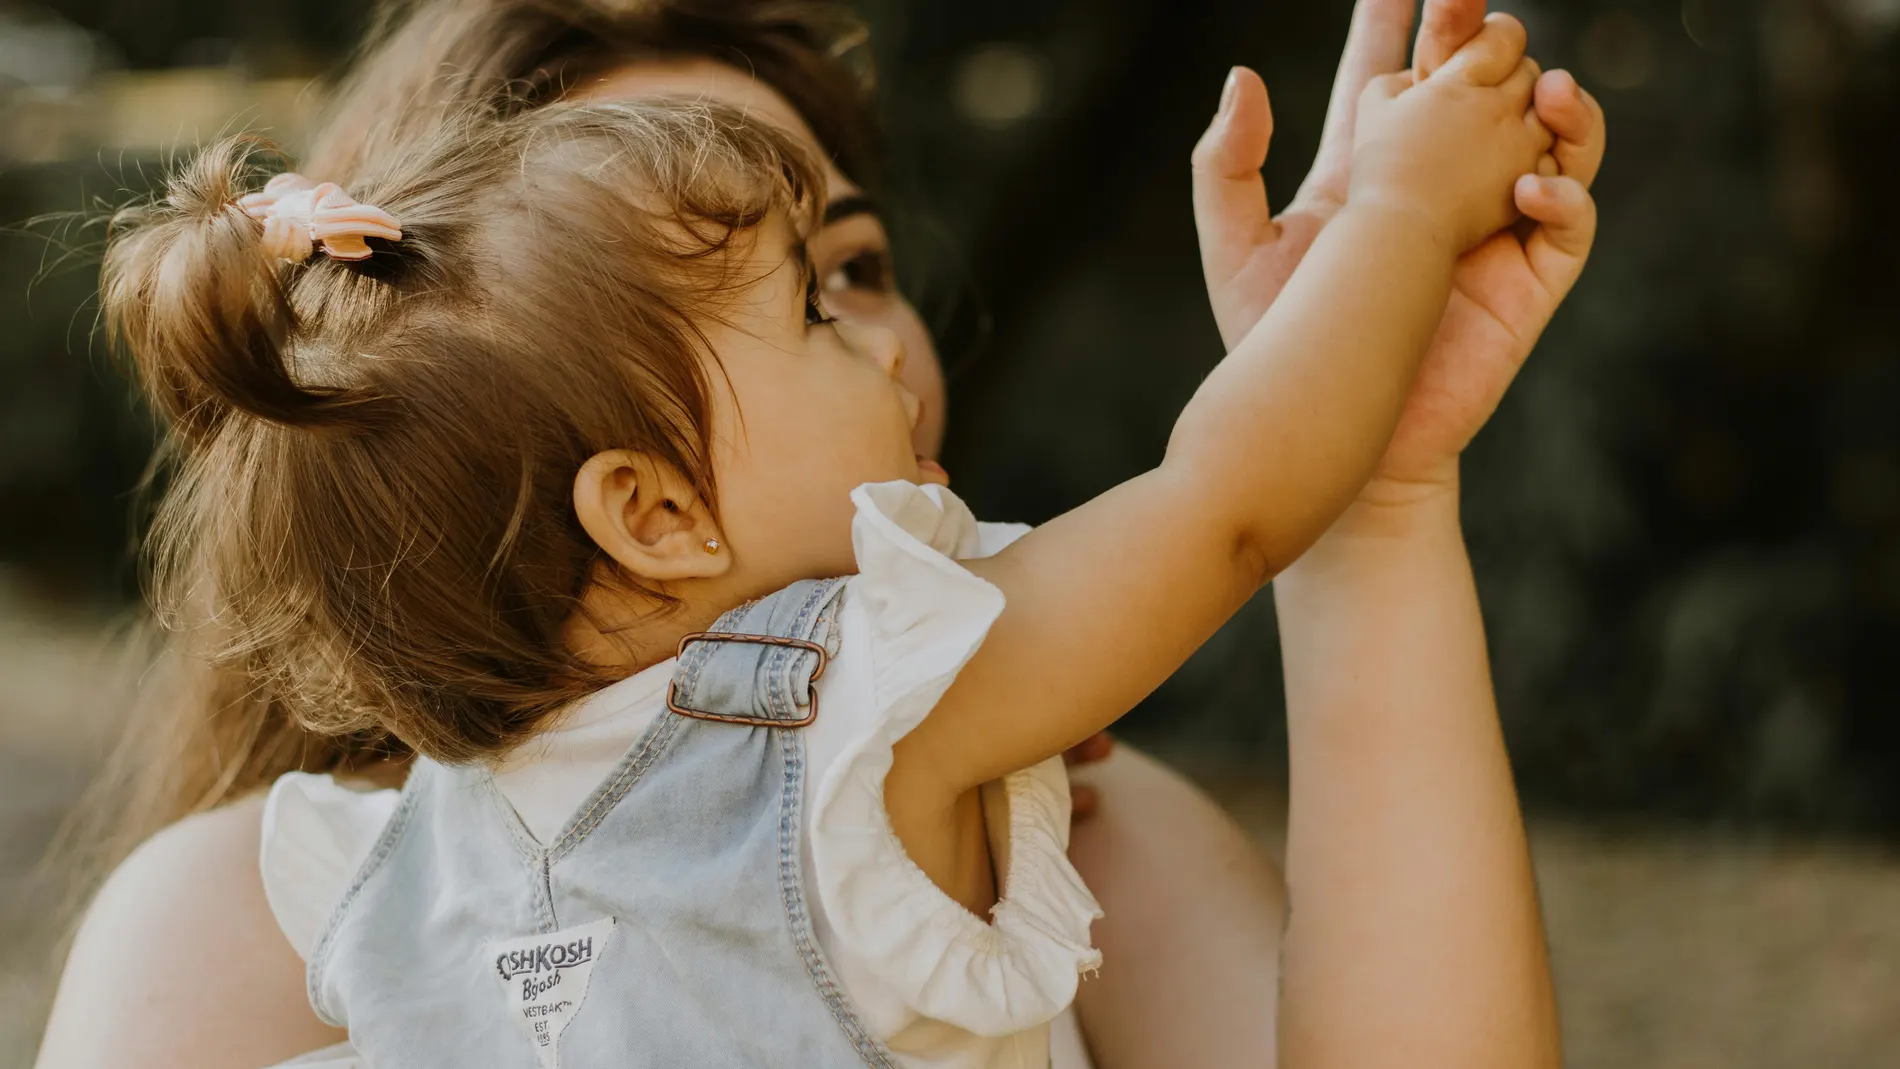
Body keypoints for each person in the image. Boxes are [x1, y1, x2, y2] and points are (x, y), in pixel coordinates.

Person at [33, 1, 1606, 1067]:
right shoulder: (872, 701)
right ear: (648, 507)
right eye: (803, 306)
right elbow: (1227, 501)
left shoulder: (381, 895)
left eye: (860, 266)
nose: (884, 349)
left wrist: (1380, 488)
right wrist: (1388, 242)